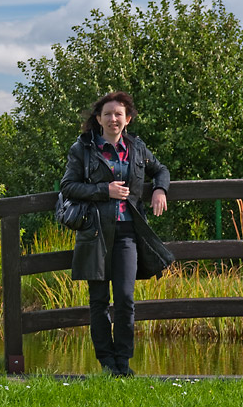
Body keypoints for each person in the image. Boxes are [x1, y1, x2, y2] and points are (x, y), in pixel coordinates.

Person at [60, 91, 174, 376]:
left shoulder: (137, 148)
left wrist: (160, 189)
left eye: (119, 114)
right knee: (98, 301)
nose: (113, 118)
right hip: (94, 234)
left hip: (127, 234)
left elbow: (160, 170)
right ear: (98, 119)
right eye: (108, 114)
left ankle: (123, 362)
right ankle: (107, 363)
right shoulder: (82, 149)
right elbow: (68, 187)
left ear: (128, 119)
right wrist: (104, 190)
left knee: (125, 299)